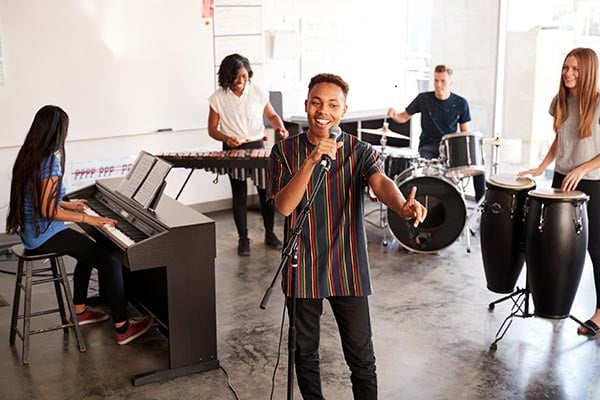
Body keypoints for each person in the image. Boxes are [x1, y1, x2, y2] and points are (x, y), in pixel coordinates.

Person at [268, 73, 427, 399]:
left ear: (343, 111)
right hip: (303, 266)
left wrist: (401, 207)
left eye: (332, 104)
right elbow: (285, 207)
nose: (322, 110)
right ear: (306, 105)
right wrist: (312, 161)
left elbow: (381, 182)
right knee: (305, 354)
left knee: (361, 358)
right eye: (316, 102)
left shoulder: (359, 150)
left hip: (347, 266)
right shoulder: (284, 152)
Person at [6, 105, 153, 345]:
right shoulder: (50, 162)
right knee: (111, 261)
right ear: (57, 132)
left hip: (32, 233)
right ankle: (123, 328)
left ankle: (81, 309)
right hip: (44, 235)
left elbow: (43, 200)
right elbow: (48, 210)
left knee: (89, 250)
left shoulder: (28, 156)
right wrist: (89, 218)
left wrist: (69, 204)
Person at [518, 47, 600, 337]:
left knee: (594, 247)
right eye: (566, 67)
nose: (568, 73)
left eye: (575, 69)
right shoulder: (561, 99)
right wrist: (542, 166)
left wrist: (583, 168)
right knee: (557, 242)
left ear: (588, 71)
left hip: (592, 182)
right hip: (562, 177)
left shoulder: (599, 102)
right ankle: (556, 302)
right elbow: (560, 139)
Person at [208, 53, 288, 256]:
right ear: (227, 77)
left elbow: (272, 115)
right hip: (233, 148)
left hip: (257, 145)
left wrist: (280, 128)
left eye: (245, 76)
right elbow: (212, 129)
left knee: (266, 193)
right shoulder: (218, 97)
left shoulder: (257, 91)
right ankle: (243, 239)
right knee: (240, 194)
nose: (241, 81)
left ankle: (270, 233)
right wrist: (226, 138)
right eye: (236, 77)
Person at [387, 64, 486, 202]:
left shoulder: (461, 103)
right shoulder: (423, 99)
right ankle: (423, 204)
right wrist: (394, 115)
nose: (438, 84)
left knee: (479, 169)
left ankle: (481, 208)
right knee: (424, 169)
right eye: (436, 80)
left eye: (443, 81)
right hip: (428, 146)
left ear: (451, 82)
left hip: (451, 149)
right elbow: (403, 117)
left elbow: (465, 133)